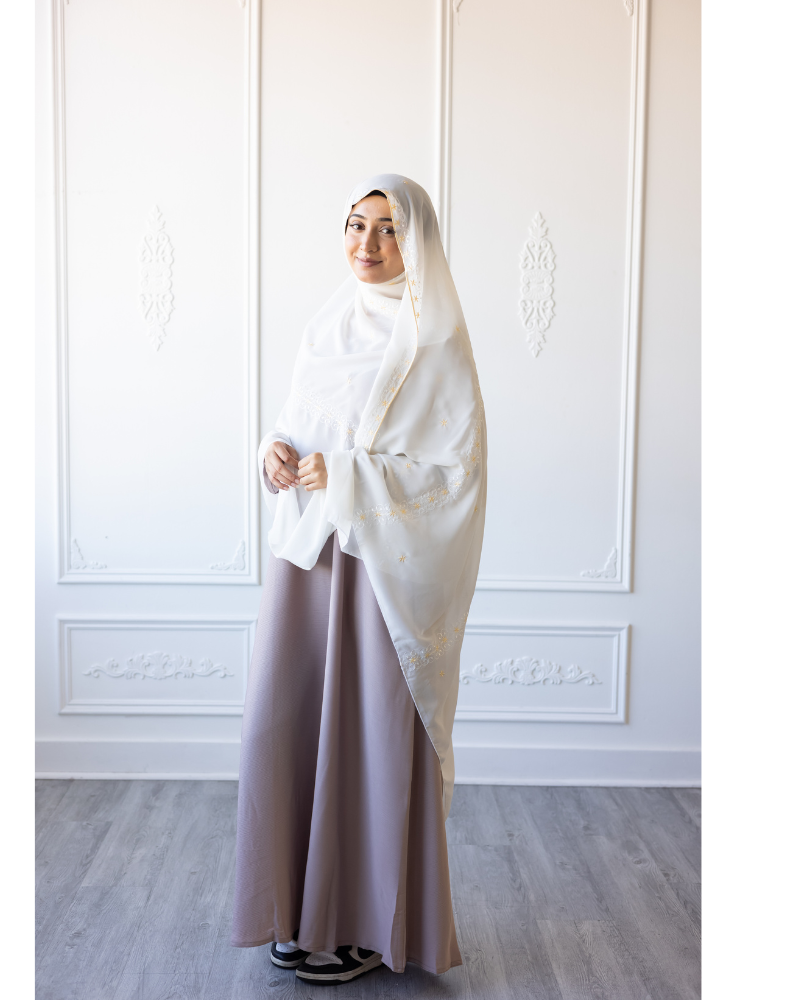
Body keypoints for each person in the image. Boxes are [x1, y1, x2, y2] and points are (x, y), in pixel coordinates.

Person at [231, 174, 486, 985]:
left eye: (387, 228)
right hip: (310, 566)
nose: (366, 244)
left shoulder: (433, 342)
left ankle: (369, 927)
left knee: (367, 742)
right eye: (354, 224)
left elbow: (454, 473)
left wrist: (342, 474)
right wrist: (274, 452)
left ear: (418, 241)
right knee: (283, 725)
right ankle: (298, 911)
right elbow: (300, 424)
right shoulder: (327, 325)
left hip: (380, 574)